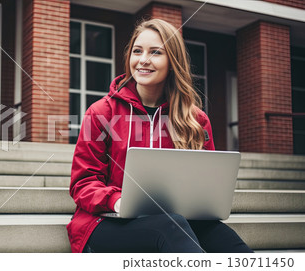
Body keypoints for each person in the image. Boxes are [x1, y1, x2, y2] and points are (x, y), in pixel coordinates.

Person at [66, 19, 252, 253]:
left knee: (224, 239)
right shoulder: (102, 112)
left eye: (155, 52)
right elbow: (83, 184)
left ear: (172, 62)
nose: (143, 60)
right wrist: (117, 200)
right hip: (105, 222)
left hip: (176, 219)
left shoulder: (196, 119)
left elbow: (206, 184)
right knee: (169, 227)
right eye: (137, 51)